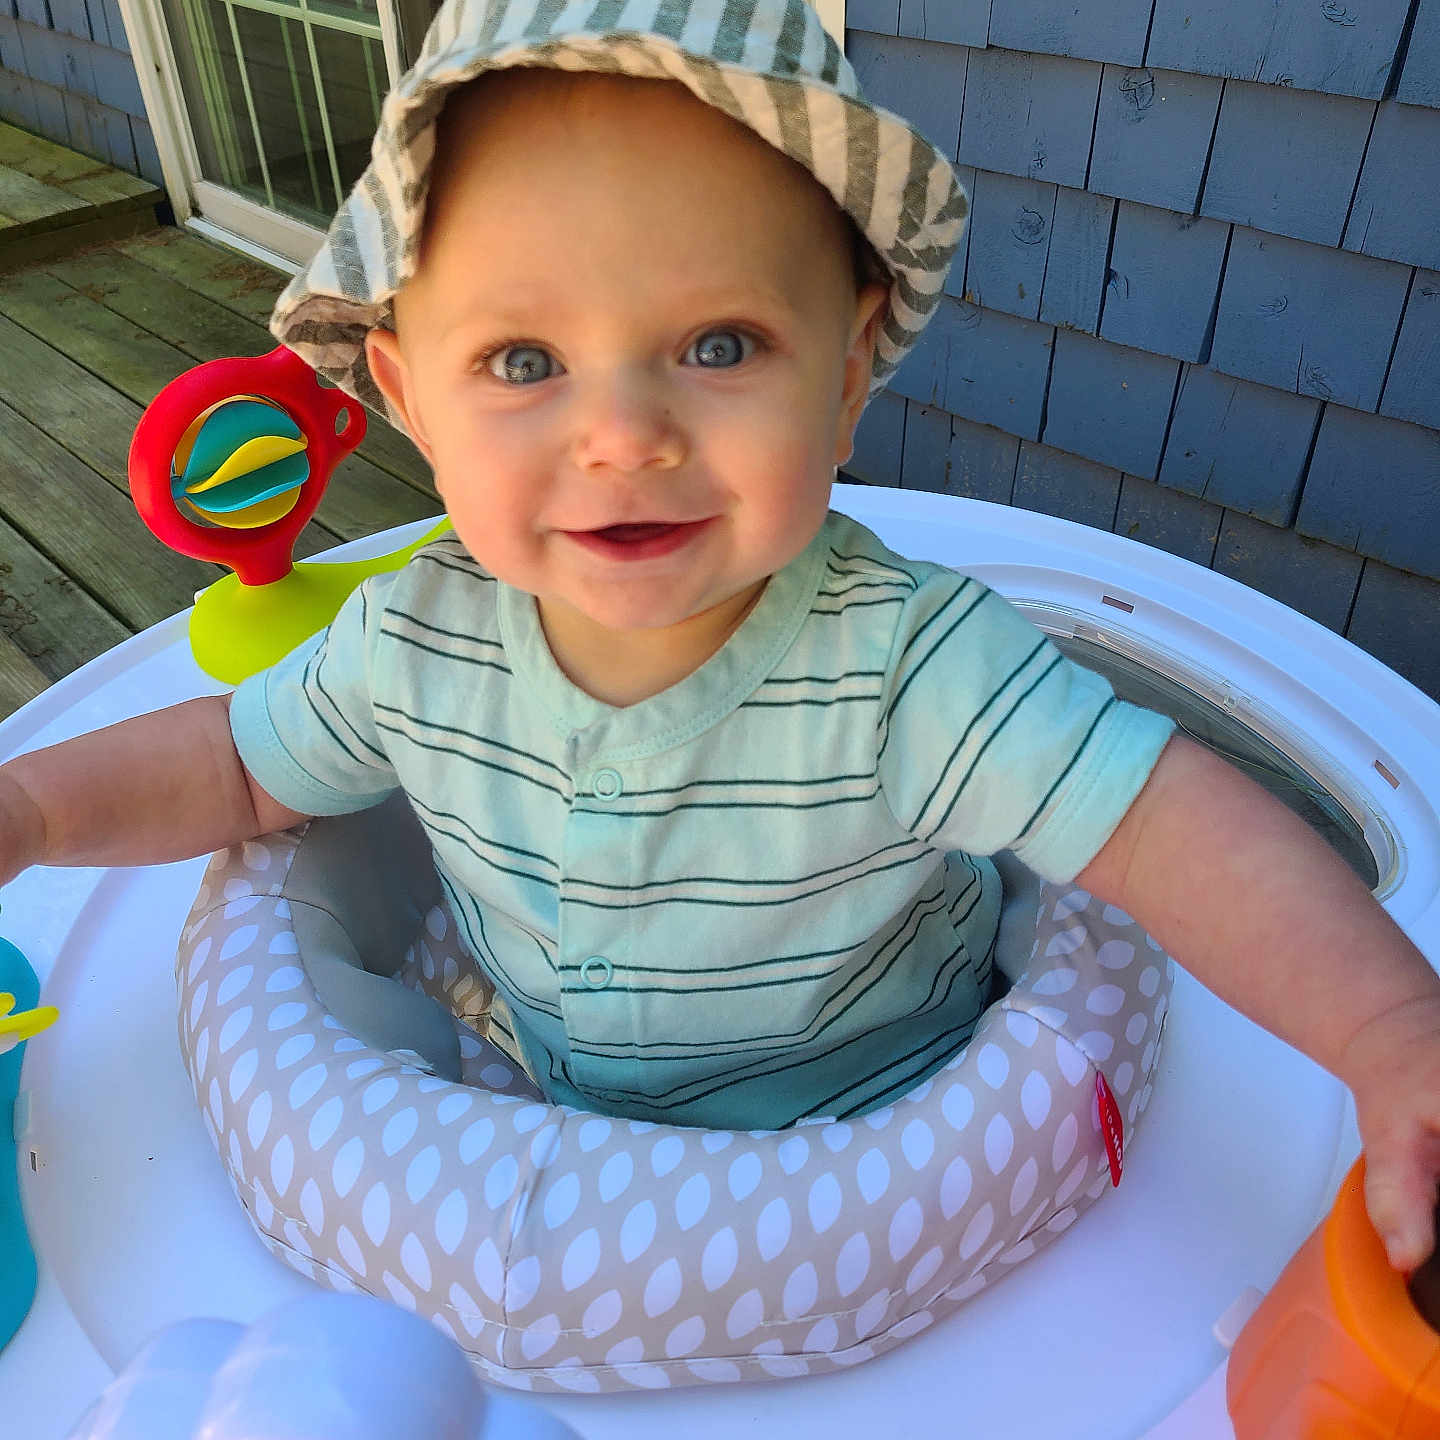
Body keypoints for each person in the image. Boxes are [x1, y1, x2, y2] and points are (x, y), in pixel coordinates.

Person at [2, 0, 1439, 1274]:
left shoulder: (910, 667)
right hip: (542, 1093)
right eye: (523, 361)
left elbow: (1164, 827)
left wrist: (1387, 1035)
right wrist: (33, 806)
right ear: (406, 392)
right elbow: (244, 771)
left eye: (721, 345)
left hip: (878, 1139)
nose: (626, 436)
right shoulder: (413, 638)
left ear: (851, 370)